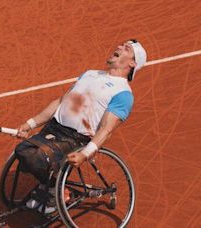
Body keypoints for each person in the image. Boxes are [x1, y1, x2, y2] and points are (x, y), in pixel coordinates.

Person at [14, 39, 147, 213]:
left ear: (132, 63)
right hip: (54, 127)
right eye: (121, 45)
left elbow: (107, 129)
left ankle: (57, 192)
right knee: (22, 151)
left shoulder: (123, 93)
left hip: (75, 138)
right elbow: (61, 102)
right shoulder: (90, 74)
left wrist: (85, 154)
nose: (119, 47)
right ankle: (51, 186)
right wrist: (30, 123)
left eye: (126, 48)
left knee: (35, 158)